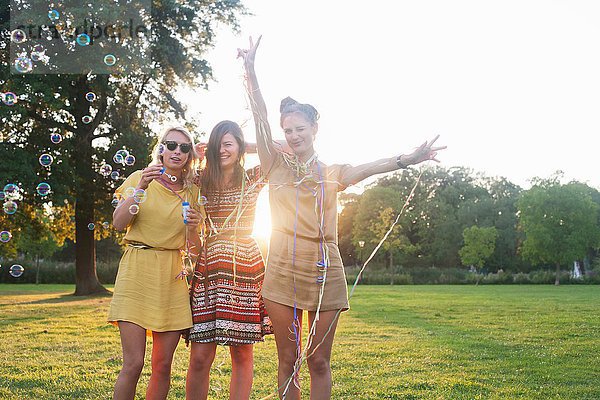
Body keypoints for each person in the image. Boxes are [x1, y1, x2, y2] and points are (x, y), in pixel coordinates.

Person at [239, 37, 446, 400]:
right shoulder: (274, 165)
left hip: (324, 267)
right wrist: (250, 70)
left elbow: (372, 167)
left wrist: (409, 158)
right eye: (287, 130)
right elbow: (258, 115)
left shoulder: (332, 172)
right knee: (287, 361)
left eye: (300, 128)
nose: (293, 135)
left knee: (318, 360)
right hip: (282, 267)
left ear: (314, 129)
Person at [108, 126, 203, 400]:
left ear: (190, 155)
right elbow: (118, 223)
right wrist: (140, 188)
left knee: (162, 366)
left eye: (185, 148)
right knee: (133, 363)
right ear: (161, 148)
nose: (177, 151)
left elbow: (194, 249)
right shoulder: (140, 178)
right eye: (171, 145)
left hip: (171, 275)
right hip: (137, 269)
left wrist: (195, 229)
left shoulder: (192, 192)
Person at [186, 120, 272, 400]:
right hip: (209, 267)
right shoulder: (200, 180)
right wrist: (196, 154)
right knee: (200, 353)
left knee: (242, 350)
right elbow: (172, 168)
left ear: (239, 147)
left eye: (228, 144)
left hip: (244, 268)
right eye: (218, 144)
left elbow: (285, 151)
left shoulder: (253, 177)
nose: (222, 150)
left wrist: (246, 145)